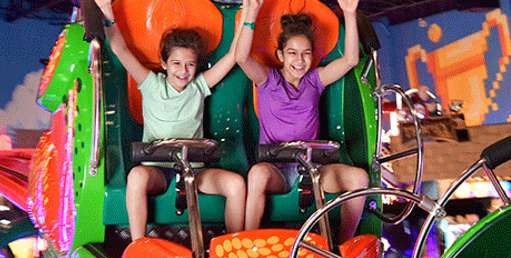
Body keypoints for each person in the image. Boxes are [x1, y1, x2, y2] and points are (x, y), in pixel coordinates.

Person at [95, 0, 247, 241]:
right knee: (136, 177)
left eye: (190, 65)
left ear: (196, 67)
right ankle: (138, 245)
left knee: (236, 184)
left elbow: (233, 57)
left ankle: (232, 246)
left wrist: (246, 16)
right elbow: (120, 50)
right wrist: (106, 12)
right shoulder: (150, 83)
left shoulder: (199, 86)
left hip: (194, 171)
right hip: (158, 170)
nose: (183, 70)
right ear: (164, 64)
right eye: (176, 63)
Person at [235, 0, 369, 240]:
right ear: (280, 55)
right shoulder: (268, 80)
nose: (300, 60)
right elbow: (242, 58)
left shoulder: (315, 81)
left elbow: (350, 60)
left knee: (359, 177)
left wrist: (349, 14)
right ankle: (249, 240)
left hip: (312, 169)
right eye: (292, 53)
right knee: (257, 174)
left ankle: (344, 244)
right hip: (277, 171)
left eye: (306, 54)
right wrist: (251, 13)